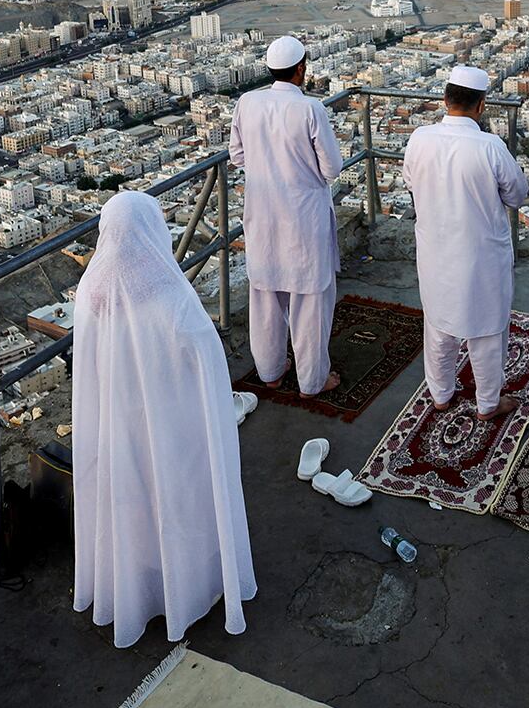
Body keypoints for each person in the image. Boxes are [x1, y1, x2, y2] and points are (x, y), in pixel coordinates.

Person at [72, 191, 256, 647]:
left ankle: (140, 584)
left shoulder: (91, 292)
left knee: (133, 498)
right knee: (180, 497)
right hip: (172, 420)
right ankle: (189, 584)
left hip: (120, 422)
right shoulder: (169, 294)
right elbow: (206, 355)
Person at [402, 65, 529, 420]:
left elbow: (410, 182)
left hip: (435, 250)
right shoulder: (490, 146)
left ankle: (441, 394)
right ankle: (488, 403)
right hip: (480, 255)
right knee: (487, 329)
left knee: (439, 323)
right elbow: (518, 195)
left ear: (445, 99)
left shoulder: (420, 138)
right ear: (481, 105)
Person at [228, 35, 343, 394]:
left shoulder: (247, 102)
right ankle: (312, 380)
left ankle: (270, 373)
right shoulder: (310, 109)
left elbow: (237, 155)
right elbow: (333, 168)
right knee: (309, 303)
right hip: (303, 217)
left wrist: (268, 171)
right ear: (301, 68)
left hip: (262, 212)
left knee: (265, 297)